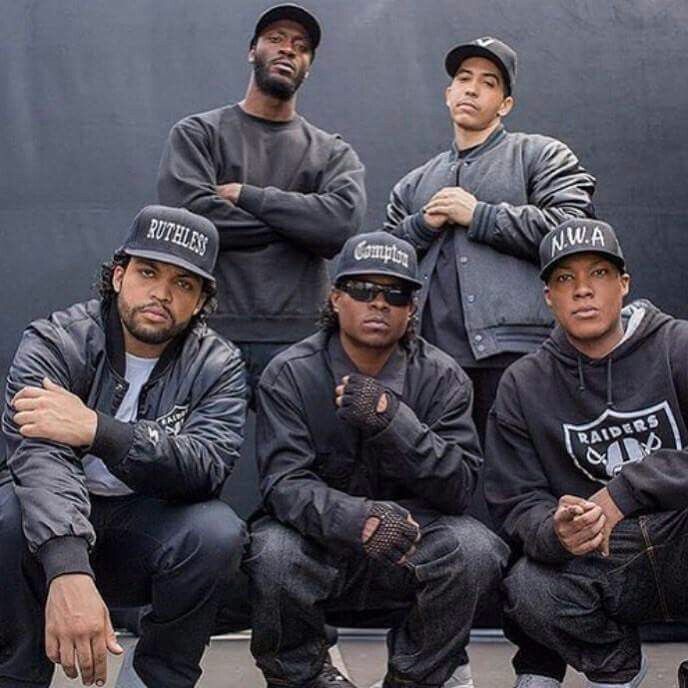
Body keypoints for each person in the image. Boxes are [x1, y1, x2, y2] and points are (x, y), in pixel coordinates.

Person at [245, 231, 508, 688]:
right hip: (323, 542)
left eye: (395, 293)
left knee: (476, 548)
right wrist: (358, 519)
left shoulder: (443, 377)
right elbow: (283, 484)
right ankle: (304, 677)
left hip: (411, 544)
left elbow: (460, 487)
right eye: (363, 290)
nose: (379, 303)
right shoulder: (289, 373)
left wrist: (394, 422)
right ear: (335, 298)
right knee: (273, 551)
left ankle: (416, 676)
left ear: (411, 309)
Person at [0, 205, 247, 688]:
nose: (162, 293)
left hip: (146, 524)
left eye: (184, 284)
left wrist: (98, 429)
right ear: (118, 276)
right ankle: (17, 675)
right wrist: (68, 566)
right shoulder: (57, 340)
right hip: (56, 525)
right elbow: (38, 457)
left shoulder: (219, 364)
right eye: (148, 272)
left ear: (199, 303)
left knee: (217, 532)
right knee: (8, 513)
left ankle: (157, 678)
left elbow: (207, 466)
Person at [485, 218, 688, 687]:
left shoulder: (677, 344)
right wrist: (554, 531)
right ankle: (616, 669)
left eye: (597, 273)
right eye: (564, 279)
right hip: (603, 554)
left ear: (624, 284)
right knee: (529, 587)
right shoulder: (523, 383)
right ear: (548, 298)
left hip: (681, 534)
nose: (582, 291)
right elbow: (516, 501)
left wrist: (628, 490)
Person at [384, 36, 595, 445]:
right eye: (464, 78)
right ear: (448, 94)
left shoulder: (539, 155)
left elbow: (574, 229)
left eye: (489, 82)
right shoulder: (413, 184)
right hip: (429, 361)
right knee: (438, 479)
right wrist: (423, 225)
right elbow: (383, 259)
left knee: (519, 476)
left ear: (505, 104)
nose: (472, 88)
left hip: (518, 355)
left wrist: (480, 216)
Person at [157, 3, 366, 396]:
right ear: (252, 50)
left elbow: (338, 225)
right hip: (209, 330)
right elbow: (192, 222)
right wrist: (300, 225)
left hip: (300, 337)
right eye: (275, 39)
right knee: (195, 454)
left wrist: (248, 196)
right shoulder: (199, 134)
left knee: (299, 457)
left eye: (300, 46)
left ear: (309, 65)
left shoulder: (332, 153)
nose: (288, 49)